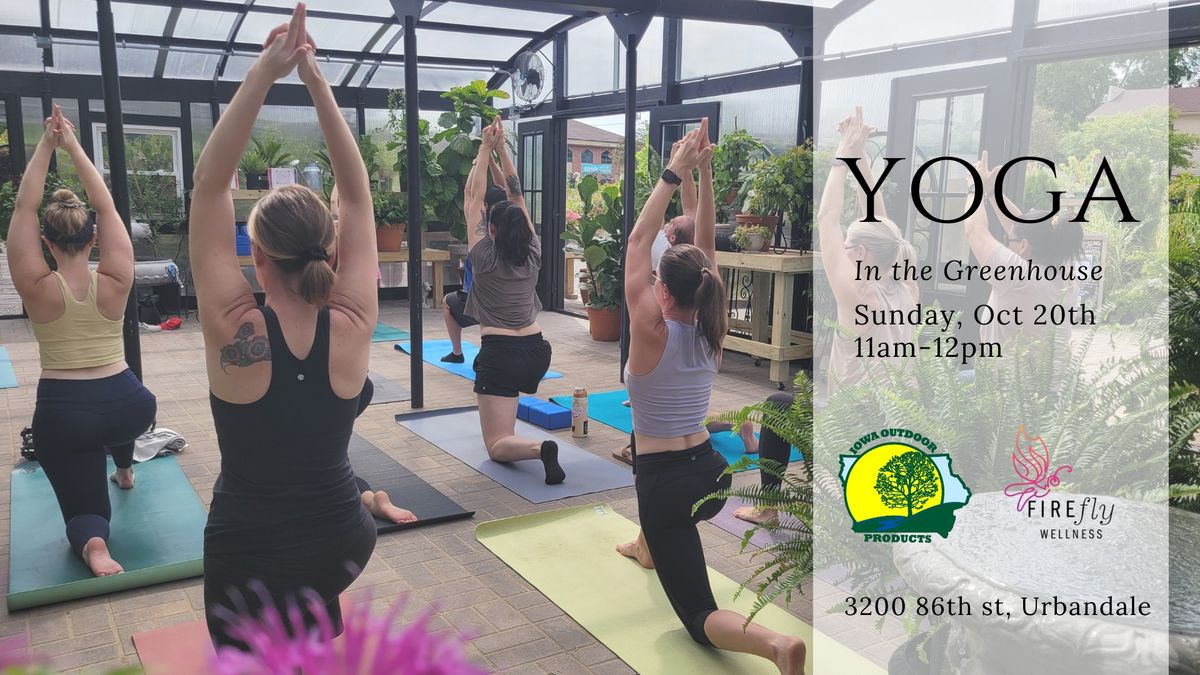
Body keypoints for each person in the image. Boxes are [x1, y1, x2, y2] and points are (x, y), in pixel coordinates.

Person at [190, 5, 377, 650]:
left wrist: (266, 73)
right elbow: (357, 198)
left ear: (258, 257)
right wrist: (315, 80)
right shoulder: (352, 321)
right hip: (339, 543)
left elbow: (208, 188)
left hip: (250, 556)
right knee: (308, 616)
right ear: (330, 253)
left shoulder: (231, 324)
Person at [616, 119, 806, 674]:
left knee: (698, 615)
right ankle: (647, 545)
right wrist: (702, 168)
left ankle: (776, 645)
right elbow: (704, 248)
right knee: (667, 531)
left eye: (655, 278)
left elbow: (636, 241)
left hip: (667, 482)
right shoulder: (712, 326)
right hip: (713, 475)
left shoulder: (651, 328)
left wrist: (676, 169)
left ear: (662, 291)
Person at [8, 105, 157, 577]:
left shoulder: (36, 286)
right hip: (130, 404)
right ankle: (126, 468)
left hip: (65, 411)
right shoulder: (114, 277)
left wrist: (45, 147)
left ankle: (95, 544)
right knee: (115, 427)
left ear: (47, 244)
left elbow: (23, 207)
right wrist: (71, 145)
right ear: (93, 240)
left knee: (83, 497)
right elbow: (107, 205)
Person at [464, 117, 561, 485]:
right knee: (507, 411)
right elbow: (517, 196)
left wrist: (484, 147)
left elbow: (473, 198)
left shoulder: (485, 258)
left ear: (490, 229)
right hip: (538, 352)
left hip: (501, 354)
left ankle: (540, 449)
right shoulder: (533, 248)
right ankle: (530, 436)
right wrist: (502, 148)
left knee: (497, 444)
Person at [818, 107, 919, 386]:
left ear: (861, 253)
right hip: (901, 414)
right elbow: (882, 225)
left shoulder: (860, 295)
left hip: (857, 419)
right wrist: (858, 152)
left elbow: (827, 219)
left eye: (847, 245)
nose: (843, 249)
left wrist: (843, 153)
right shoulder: (908, 288)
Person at [967, 150, 1081, 349]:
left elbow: (975, 231)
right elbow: (1019, 227)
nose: (1007, 243)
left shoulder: (1018, 276)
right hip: (1054, 377)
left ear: (1024, 246)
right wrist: (993, 193)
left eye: (1008, 240)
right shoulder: (1063, 263)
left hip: (1010, 380)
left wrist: (973, 188)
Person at [440, 159, 507, 364]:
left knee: (447, 302)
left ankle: (457, 353)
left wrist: (479, 162)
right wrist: (493, 162)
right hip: (509, 301)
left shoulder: (480, 233)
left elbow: (469, 192)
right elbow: (507, 190)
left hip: (478, 303)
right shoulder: (514, 226)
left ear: (485, 205)